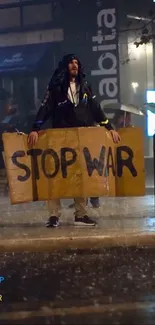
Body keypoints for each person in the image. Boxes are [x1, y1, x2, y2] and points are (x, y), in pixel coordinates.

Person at [28, 54, 121, 228]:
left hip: (81, 138)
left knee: (81, 176)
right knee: (54, 176)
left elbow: (96, 109)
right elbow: (45, 108)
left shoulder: (85, 87)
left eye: (77, 62)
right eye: (71, 62)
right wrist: (35, 129)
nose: (74, 65)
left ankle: (81, 214)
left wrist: (110, 128)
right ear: (65, 66)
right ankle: (54, 215)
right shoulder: (55, 88)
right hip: (60, 138)